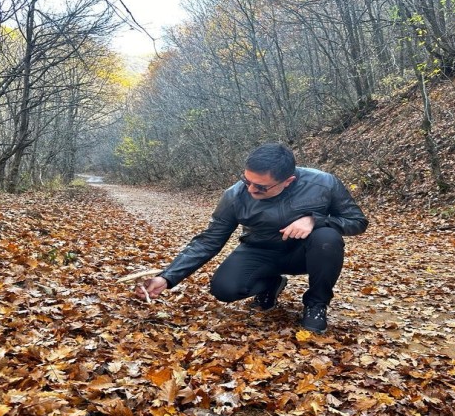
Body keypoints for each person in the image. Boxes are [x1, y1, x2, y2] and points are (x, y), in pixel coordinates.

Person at [136, 143, 368, 333]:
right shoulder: (235, 195)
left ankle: (316, 304)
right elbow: (209, 240)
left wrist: (316, 220)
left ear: (288, 181)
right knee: (224, 289)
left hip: (306, 253)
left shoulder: (323, 183)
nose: (250, 190)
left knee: (328, 237)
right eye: (247, 181)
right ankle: (271, 284)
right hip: (260, 251)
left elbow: (357, 222)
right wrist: (167, 278)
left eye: (260, 187)